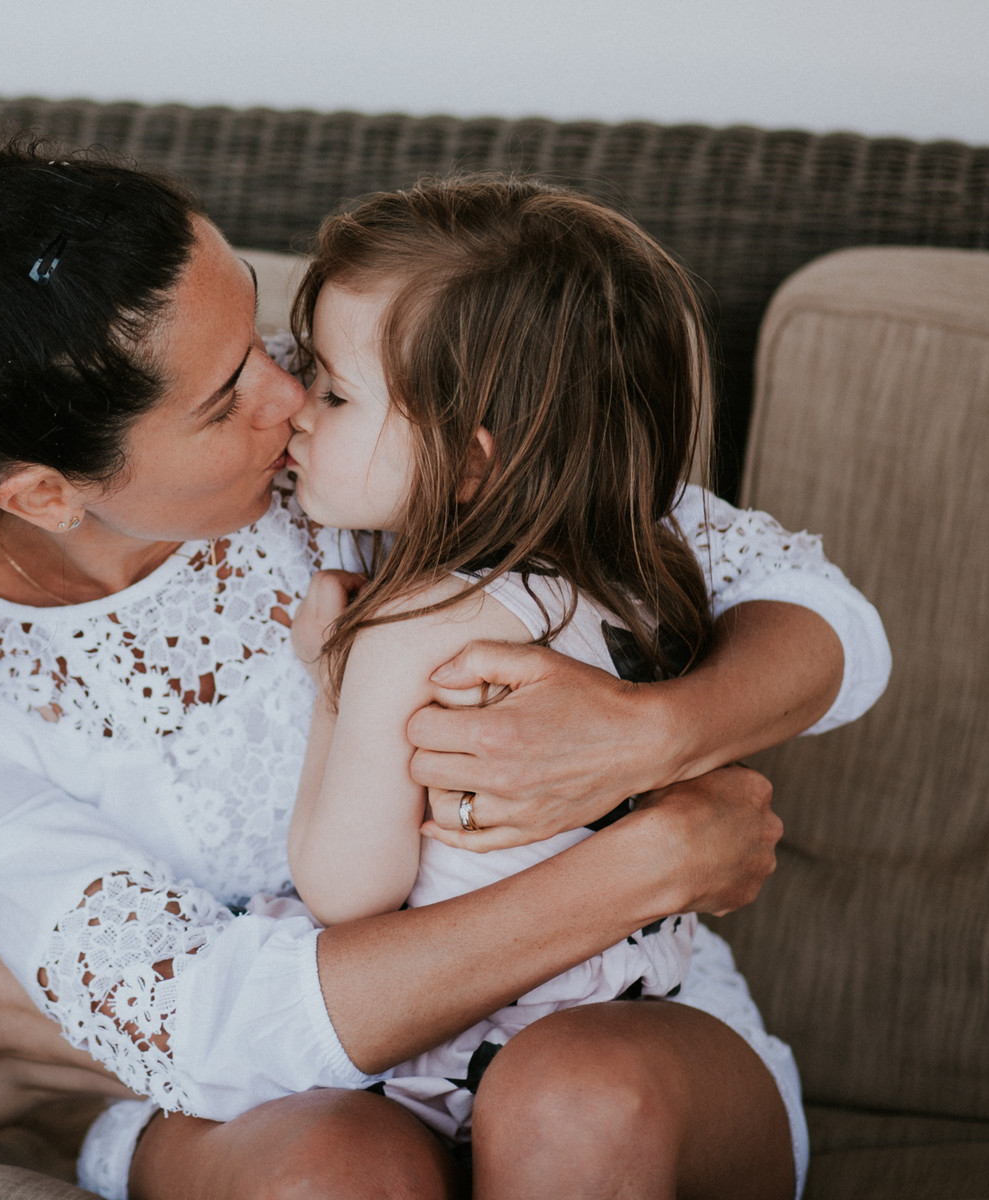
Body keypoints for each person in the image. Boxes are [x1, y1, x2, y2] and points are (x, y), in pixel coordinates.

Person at [0, 107, 888, 1200]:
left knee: (578, 1099)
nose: (289, 393)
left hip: (616, 1029)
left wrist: (665, 735)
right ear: (50, 489)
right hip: (278, 1089)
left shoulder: (345, 445)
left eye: (281, 343)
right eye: (234, 396)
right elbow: (209, 1028)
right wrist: (641, 861)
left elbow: (798, 600)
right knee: (328, 1167)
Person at [281, 176, 758, 1166]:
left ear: (470, 464)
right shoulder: (638, 579)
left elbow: (344, 887)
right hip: (638, 1018)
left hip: (461, 1057)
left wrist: (330, 679)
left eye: (333, 390)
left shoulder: (412, 629)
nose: (296, 410)